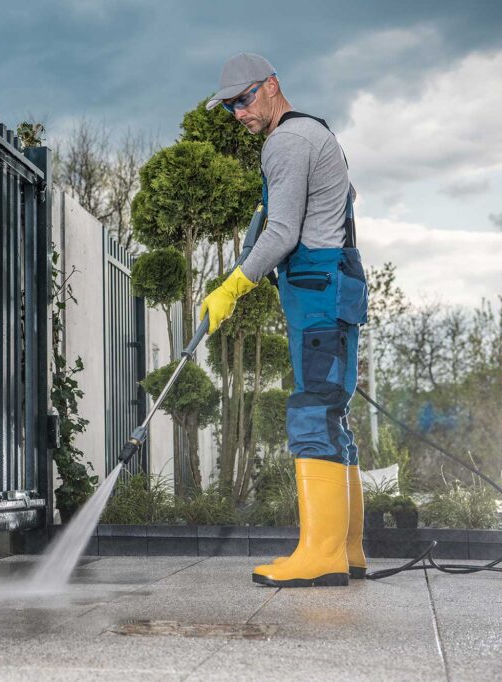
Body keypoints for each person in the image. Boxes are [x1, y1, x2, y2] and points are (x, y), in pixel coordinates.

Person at [200, 53, 369, 587]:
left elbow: (282, 234)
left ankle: (321, 554)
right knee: (330, 414)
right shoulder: (314, 133)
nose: (238, 113)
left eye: (244, 99)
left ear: (272, 86)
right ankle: (347, 550)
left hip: (319, 292)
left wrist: (233, 283)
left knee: (312, 413)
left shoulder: (288, 141)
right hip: (328, 289)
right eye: (229, 106)